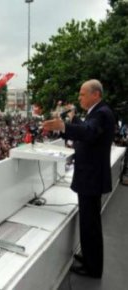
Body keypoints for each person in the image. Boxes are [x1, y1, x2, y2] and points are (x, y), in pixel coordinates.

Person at [43, 79, 115, 278]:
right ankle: (89, 257)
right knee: (88, 222)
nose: (79, 97)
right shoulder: (99, 112)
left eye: (83, 94)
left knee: (90, 225)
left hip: (91, 178)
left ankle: (93, 268)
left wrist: (64, 126)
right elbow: (88, 129)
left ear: (95, 95)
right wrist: (74, 120)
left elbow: (90, 133)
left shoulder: (101, 113)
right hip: (90, 176)